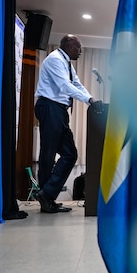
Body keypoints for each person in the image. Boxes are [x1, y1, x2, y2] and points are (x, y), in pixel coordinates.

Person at [34, 34, 102, 213]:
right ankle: (46, 199)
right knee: (48, 154)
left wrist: (91, 100)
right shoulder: (55, 60)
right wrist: (89, 100)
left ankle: (47, 194)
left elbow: (77, 85)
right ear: (70, 47)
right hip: (50, 106)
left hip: (58, 110)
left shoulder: (67, 64)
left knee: (70, 154)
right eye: (78, 48)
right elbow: (65, 86)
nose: (80, 52)